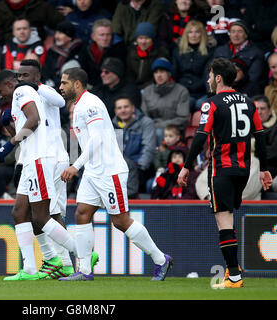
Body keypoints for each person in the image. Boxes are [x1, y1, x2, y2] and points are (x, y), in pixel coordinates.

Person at [58, 67, 172, 281]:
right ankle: (84, 270)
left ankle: (160, 259)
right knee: (82, 213)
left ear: (77, 84)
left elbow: (98, 139)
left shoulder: (90, 105)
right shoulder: (80, 105)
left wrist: (76, 165)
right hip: (94, 171)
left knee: (120, 221)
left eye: (64, 83)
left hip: (110, 171)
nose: (61, 87)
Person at [178, 57, 273, 288]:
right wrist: (265, 169)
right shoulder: (249, 102)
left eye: (210, 76)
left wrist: (186, 166)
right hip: (244, 169)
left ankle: (234, 277)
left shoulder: (212, 103)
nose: (208, 79)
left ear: (218, 78)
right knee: (228, 218)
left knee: (224, 222)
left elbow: (200, 135)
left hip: (222, 168)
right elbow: (260, 136)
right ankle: (235, 270)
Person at [0, 69, 80, 280]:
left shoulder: (22, 91)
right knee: (19, 213)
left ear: (8, 84)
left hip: (40, 159)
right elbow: (25, 133)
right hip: (31, 158)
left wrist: (9, 145)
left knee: (43, 215)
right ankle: (31, 268)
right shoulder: (22, 95)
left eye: (0, 90)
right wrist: (10, 128)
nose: (0, 96)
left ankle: (81, 254)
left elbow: (34, 120)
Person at [112, 94, 156, 198]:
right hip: (118, 170)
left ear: (133, 108)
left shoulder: (146, 123)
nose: (123, 110)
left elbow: (148, 148)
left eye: (126, 107)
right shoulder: (112, 125)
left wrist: (139, 168)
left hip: (139, 169)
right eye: (119, 108)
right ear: (115, 111)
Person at [141, 57, 190, 146]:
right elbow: (144, 116)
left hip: (174, 130)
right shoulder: (147, 92)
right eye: (156, 72)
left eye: (162, 71)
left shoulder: (181, 91)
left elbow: (182, 117)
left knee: (159, 133)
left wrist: (160, 125)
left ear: (169, 73)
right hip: (151, 128)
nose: (159, 75)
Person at [212, 19, 265, 97]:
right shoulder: (219, 51)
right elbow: (211, 73)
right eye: (233, 32)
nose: (236, 35)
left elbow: (253, 78)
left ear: (246, 35)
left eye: (240, 31)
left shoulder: (256, 52)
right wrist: (213, 91)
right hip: (221, 92)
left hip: (245, 93)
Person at [172, 20, 212, 112]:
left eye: (197, 32)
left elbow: (208, 75)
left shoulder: (209, 51)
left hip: (202, 93)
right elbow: (174, 73)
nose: (193, 35)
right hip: (182, 93)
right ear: (186, 35)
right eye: (190, 32)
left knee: (202, 106)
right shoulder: (177, 51)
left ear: (202, 34)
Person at [76, 18, 127, 88]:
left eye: (108, 34)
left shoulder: (119, 51)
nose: (105, 38)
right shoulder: (84, 50)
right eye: (102, 35)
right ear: (93, 37)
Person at [0, 0, 65, 45]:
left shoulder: (39, 5)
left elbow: (62, 24)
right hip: (8, 48)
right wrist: (19, 38)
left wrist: (54, 39)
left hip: (38, 47)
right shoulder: (0, 8)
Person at [125, 22, 169, 92]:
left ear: (152, 39)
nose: (143, 42)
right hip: (133, 87)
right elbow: (128, 74)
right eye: (140, 38)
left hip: (152, 88)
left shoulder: (161, 52)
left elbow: (158, 76)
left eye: (147, 38)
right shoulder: (131, 52)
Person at [41, 21, 83, 89]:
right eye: (56, 33)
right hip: (54, 87)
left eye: (60, 33)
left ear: (69, 37)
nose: (56, 36)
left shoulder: (80, 50)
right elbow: (46, 72)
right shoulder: (52, 51)